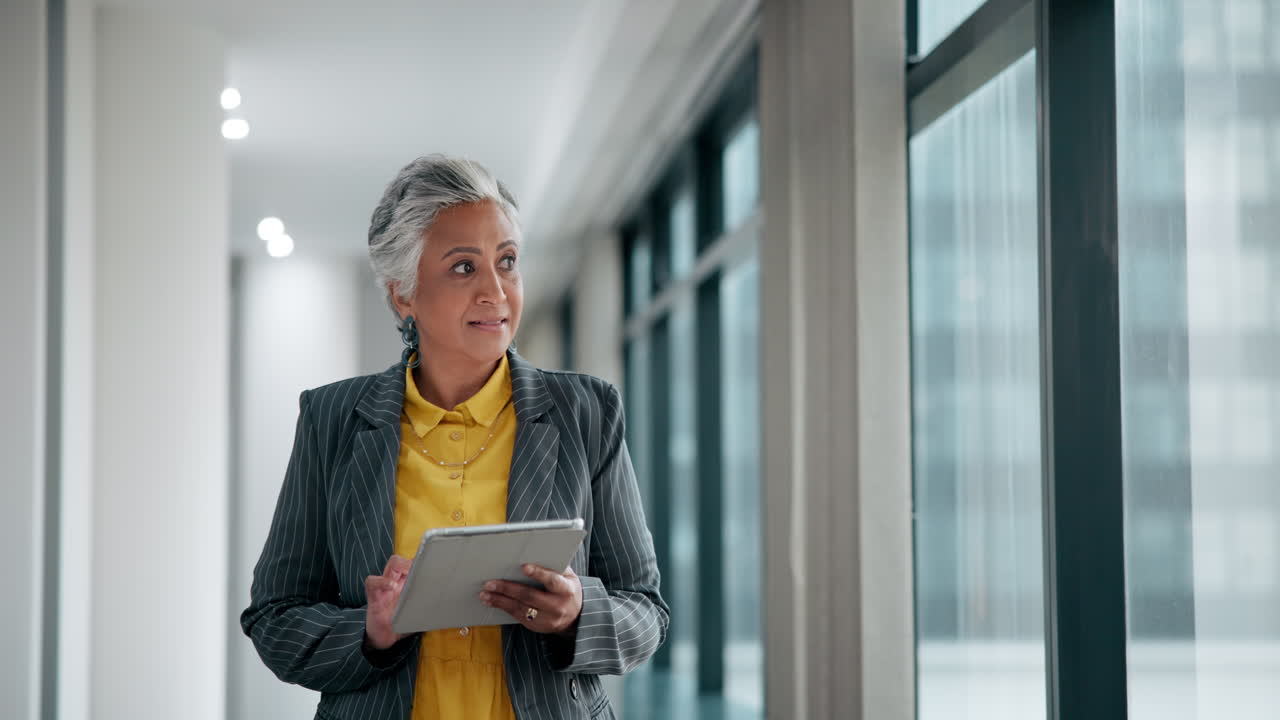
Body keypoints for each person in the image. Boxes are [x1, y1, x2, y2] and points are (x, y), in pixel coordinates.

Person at [241, 154, 668, 720]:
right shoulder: (332, 419)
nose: (496, 290)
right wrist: (370, 632)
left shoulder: (586, 411)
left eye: (507, 261)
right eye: (464, 268)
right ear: (404, 295)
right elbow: (274, 616)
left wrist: (577, 613)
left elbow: (646, 610)